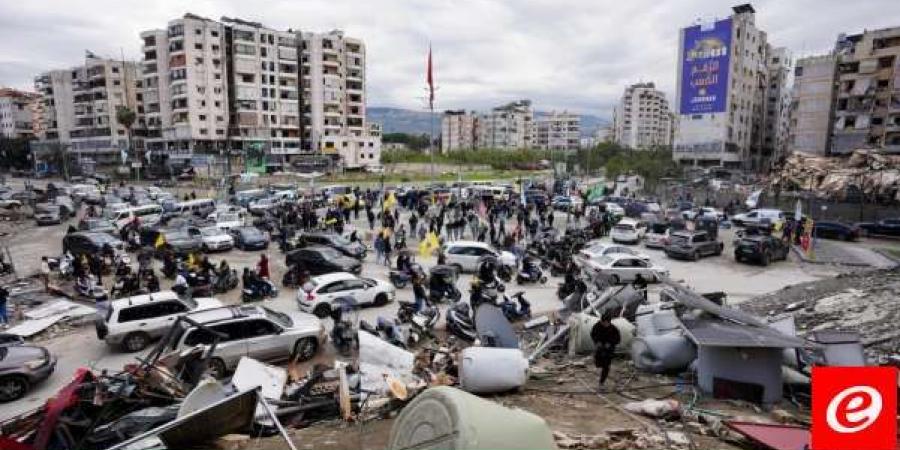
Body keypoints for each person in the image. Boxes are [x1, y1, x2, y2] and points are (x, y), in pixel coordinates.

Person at [590, 315, 621, 389]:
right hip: (600, 348)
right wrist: (597, 341)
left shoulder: (613, 329)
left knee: (606, 366)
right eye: (603, 322)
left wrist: (610, 343)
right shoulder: (597, 326)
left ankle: (601, 382)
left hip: (609, 350)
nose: (604, 324)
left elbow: (618, 339)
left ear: (609, 322)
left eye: (606, 323)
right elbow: (592, 334)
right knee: (598, 363)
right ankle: (599, 364)